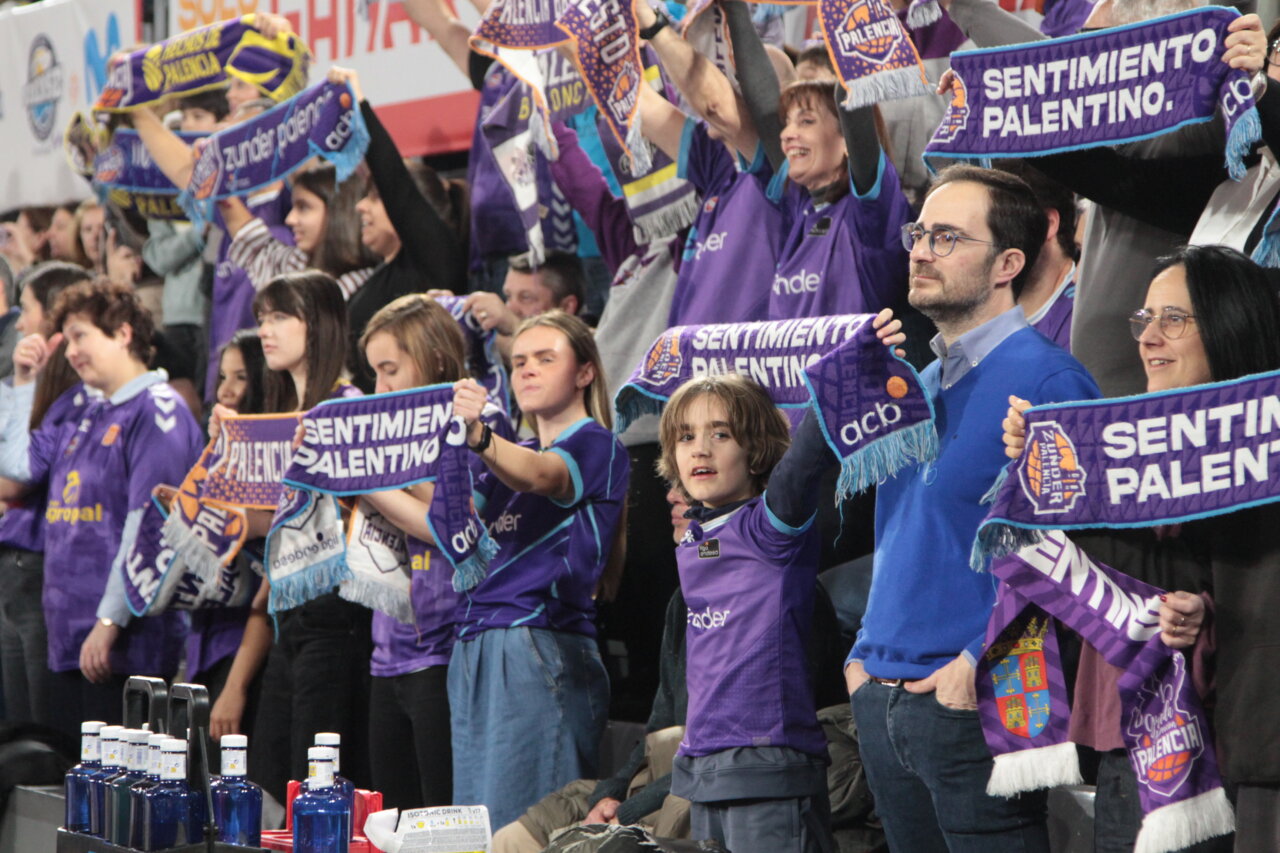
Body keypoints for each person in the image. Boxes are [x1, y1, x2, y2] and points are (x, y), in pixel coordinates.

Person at [845, 165, 1099, 852]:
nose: (921, 249)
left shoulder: (1054, 379)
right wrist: (864, 659)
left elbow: (1067, 554)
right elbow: (902, 535)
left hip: (979, 700)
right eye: (920, 232)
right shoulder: (914, 383)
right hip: (884, 696)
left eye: (948, 236)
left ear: (1007, 264)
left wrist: (971, 660)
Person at [1002, 245, 1280, 853]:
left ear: (1230, 326)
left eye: (1173, 319)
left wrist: (1203, 611)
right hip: (1133, 743)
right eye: (1144, 320)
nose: (1149, 337)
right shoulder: (1117, 444)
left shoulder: (1266, 446)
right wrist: (1046, 470)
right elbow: (1119, 572)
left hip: (1232, 753)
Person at [0, 278, 203, 738]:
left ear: (124, 334)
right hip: (69, 632)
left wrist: (110, 620)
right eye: (66, 339)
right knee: (66, 783)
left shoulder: (157, 411)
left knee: (119, 797)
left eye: (80, 336)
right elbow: (17, 468)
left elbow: (149, 524)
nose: (70, 351)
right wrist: (24, 384)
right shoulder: (82, 407)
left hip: (124, 642)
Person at [449, 311, 628, 830]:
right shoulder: (514, 452)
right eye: (519, 361)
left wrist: (479, 435)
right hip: (477, 644)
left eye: (546, 359)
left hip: (537, 641)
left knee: (525, 829)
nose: (526, 370)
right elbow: (440, 519)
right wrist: (359, 473)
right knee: (477, 833)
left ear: (585, 372)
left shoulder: (596, 443)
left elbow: (541, 476)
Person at [203, 272, 370, 804]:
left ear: (317, 325)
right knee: (276, 776)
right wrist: (220, 462)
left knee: (317, 786)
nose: (265, 331)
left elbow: (353, 514)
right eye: (262, 318)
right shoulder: (279, 414)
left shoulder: (349, 404)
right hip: (287, 612)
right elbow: (265, 522)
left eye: (280, 317)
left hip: (336, 613)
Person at [355, 294, 513, 811]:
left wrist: (366, 476)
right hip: (387, 651)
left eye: (390, 370)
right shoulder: (377, 429)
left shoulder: (483, 421)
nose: (380, 388)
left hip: (448, 648)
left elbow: (451, 521)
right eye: (373, 373)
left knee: (444, 818)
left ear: (434, 359)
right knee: (392, 821)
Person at [321, 67, 469, 392]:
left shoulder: (435, 262)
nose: (360, 207)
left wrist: (357, 102)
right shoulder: (380, 273)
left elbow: (395, 181)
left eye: (373, 197)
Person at [0, 262, 93, 724]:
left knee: (43, 734)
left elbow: (18, 473)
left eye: (29, 309)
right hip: (17, 563)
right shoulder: (43, 386)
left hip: (41, 563)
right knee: (20, 727)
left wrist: (22, 383)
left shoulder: (75, 394)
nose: (19, 322)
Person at [186, 330, 268, 747]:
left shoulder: (275, 463)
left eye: (241, 377)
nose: (227, 391)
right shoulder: (216, 449)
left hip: (246, 653)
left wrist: (235, 686)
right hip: (205, 639)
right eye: (222, 377)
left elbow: (269, 593)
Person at [221, 163, 380, 301]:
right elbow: (253, 244)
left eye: (303, 207)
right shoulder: (299, 265)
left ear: (338, 211)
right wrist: (218, 185)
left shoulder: (364, 285)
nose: (290, 219)